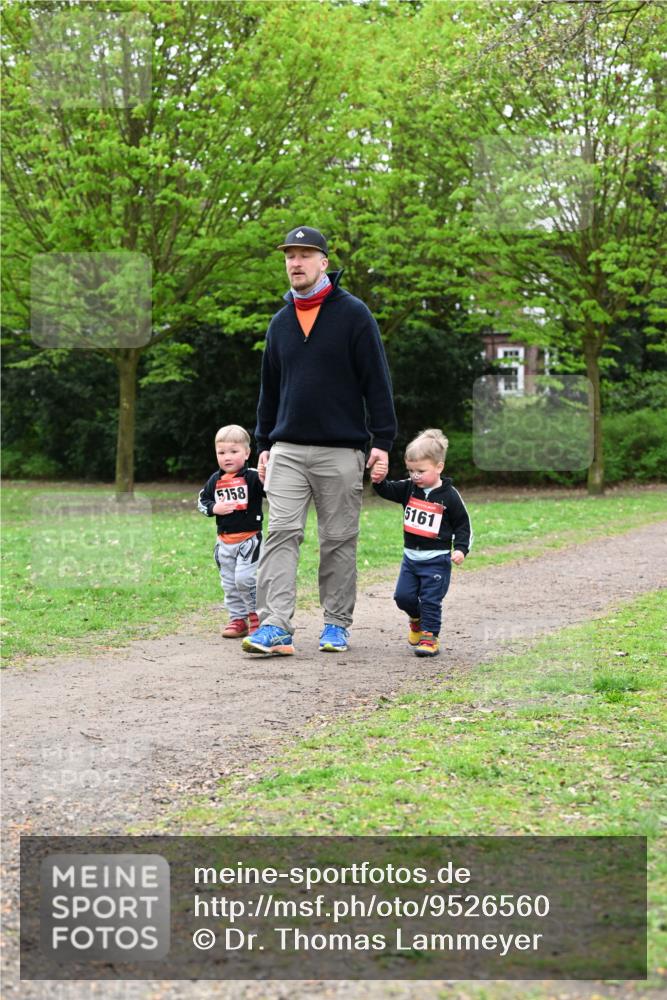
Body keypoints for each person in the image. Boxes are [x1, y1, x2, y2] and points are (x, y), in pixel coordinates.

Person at [242, 225, 397, 656]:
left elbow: (377, 381)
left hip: (341, 450)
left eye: (305, 255)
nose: (295, 263)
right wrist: (264, 446)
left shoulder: (353, 315)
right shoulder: (280, 322)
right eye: (290, 256)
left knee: (338, 539)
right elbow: (268, 391)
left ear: (323, 263)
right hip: (287, 448)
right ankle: (276, 625)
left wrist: (382, 440)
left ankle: (335, 624)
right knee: (281, 534)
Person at [372, 428, 472, 657]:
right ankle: (416, 620)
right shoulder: (409, 488)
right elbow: (386, 490)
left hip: (437, 560)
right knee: (402, 597)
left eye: (421, 471)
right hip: (411, 559)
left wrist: (461, 549)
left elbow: (463, 525)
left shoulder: (450, 496)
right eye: (411, 470)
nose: (415, 476)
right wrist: (378, 481)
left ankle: (429, 636)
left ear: (439, 467)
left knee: (430, 599)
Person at [197, 424, 264, 639]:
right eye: (222, 452)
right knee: (229, 582)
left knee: (245, 579)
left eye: (234, 452)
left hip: (249, 539)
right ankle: (237, 619)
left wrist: (268, 476)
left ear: (246, 453)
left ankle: (256, 617)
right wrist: (213, 508)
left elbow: (271, 489)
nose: (227, 457)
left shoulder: (253, 476)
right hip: (224, 542)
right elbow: (202, 500)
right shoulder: (214, 480)